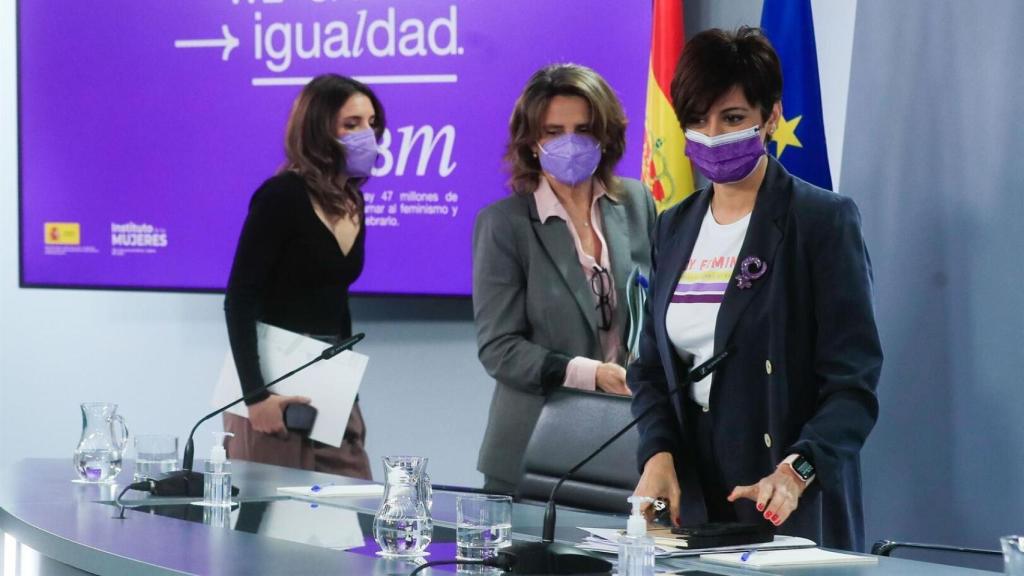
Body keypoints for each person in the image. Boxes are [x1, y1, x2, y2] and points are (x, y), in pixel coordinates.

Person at [628, 27, 882, 551]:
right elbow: (651, 371)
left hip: (786, 498)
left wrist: (797, 471)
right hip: (690, 501)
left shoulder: (821, 221)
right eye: (698, 121)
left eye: (734, 117)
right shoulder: (673, 226)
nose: (713, 135)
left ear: (770, 117)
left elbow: (852, 388)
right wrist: (656, 456)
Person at [473, 63, 656, 494]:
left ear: (605, 135)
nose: (569, 143)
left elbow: (656, 309)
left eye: (584, 129)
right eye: (553, 131)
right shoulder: (505, 224)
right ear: (532, 142)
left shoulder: (636, 201)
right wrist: (592, 373)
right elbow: (500, 350)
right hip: (531, 449)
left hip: (623, 445)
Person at [222, 74, 386, 479]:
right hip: (271, 393)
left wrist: (349, 392)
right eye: (352, 124)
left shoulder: (354, 200)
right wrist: (255, 397)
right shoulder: (280, 197)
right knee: (275, 532)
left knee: (350, 518)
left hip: (329, 390)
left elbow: (336, 299)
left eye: (371, 123)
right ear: (318, 130)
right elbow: (239, 299)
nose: (367, 134)